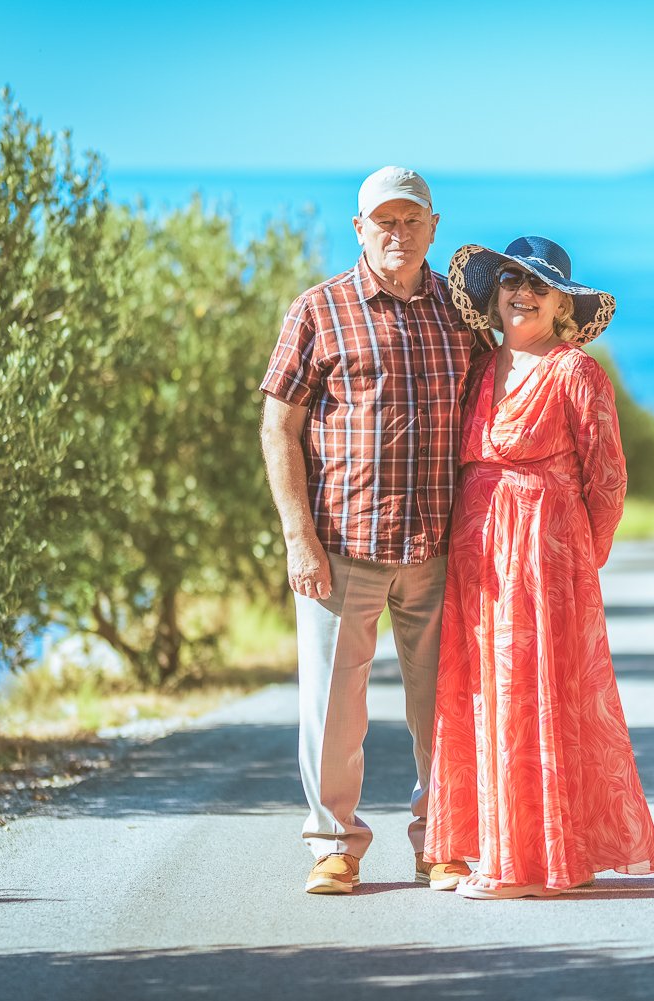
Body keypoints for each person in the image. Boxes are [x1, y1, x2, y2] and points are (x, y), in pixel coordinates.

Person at [258, 166, 489, 895]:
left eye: (410, 219)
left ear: (433, 226)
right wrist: (298, 536)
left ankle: (442, 840)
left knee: (445, 704)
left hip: (439, 549)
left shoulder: (461, 316)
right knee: (332, 709)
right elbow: (278, 426)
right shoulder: (318, 310)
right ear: (359, 229)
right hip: (341, 547)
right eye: (383, 221)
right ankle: (334, 843)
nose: (397, 232)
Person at [423, 236, 654, 899]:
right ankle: (501, 849)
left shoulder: (576, 373)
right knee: (481, 697)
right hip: (479, 561)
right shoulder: (478, 369)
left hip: (546, 562)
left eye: (537, 284)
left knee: (533, 699)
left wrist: (573, 562)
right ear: (494, 294)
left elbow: (608, 483)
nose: (521, 292)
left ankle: (527, 866)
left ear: (562, 303)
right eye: (509, 279)